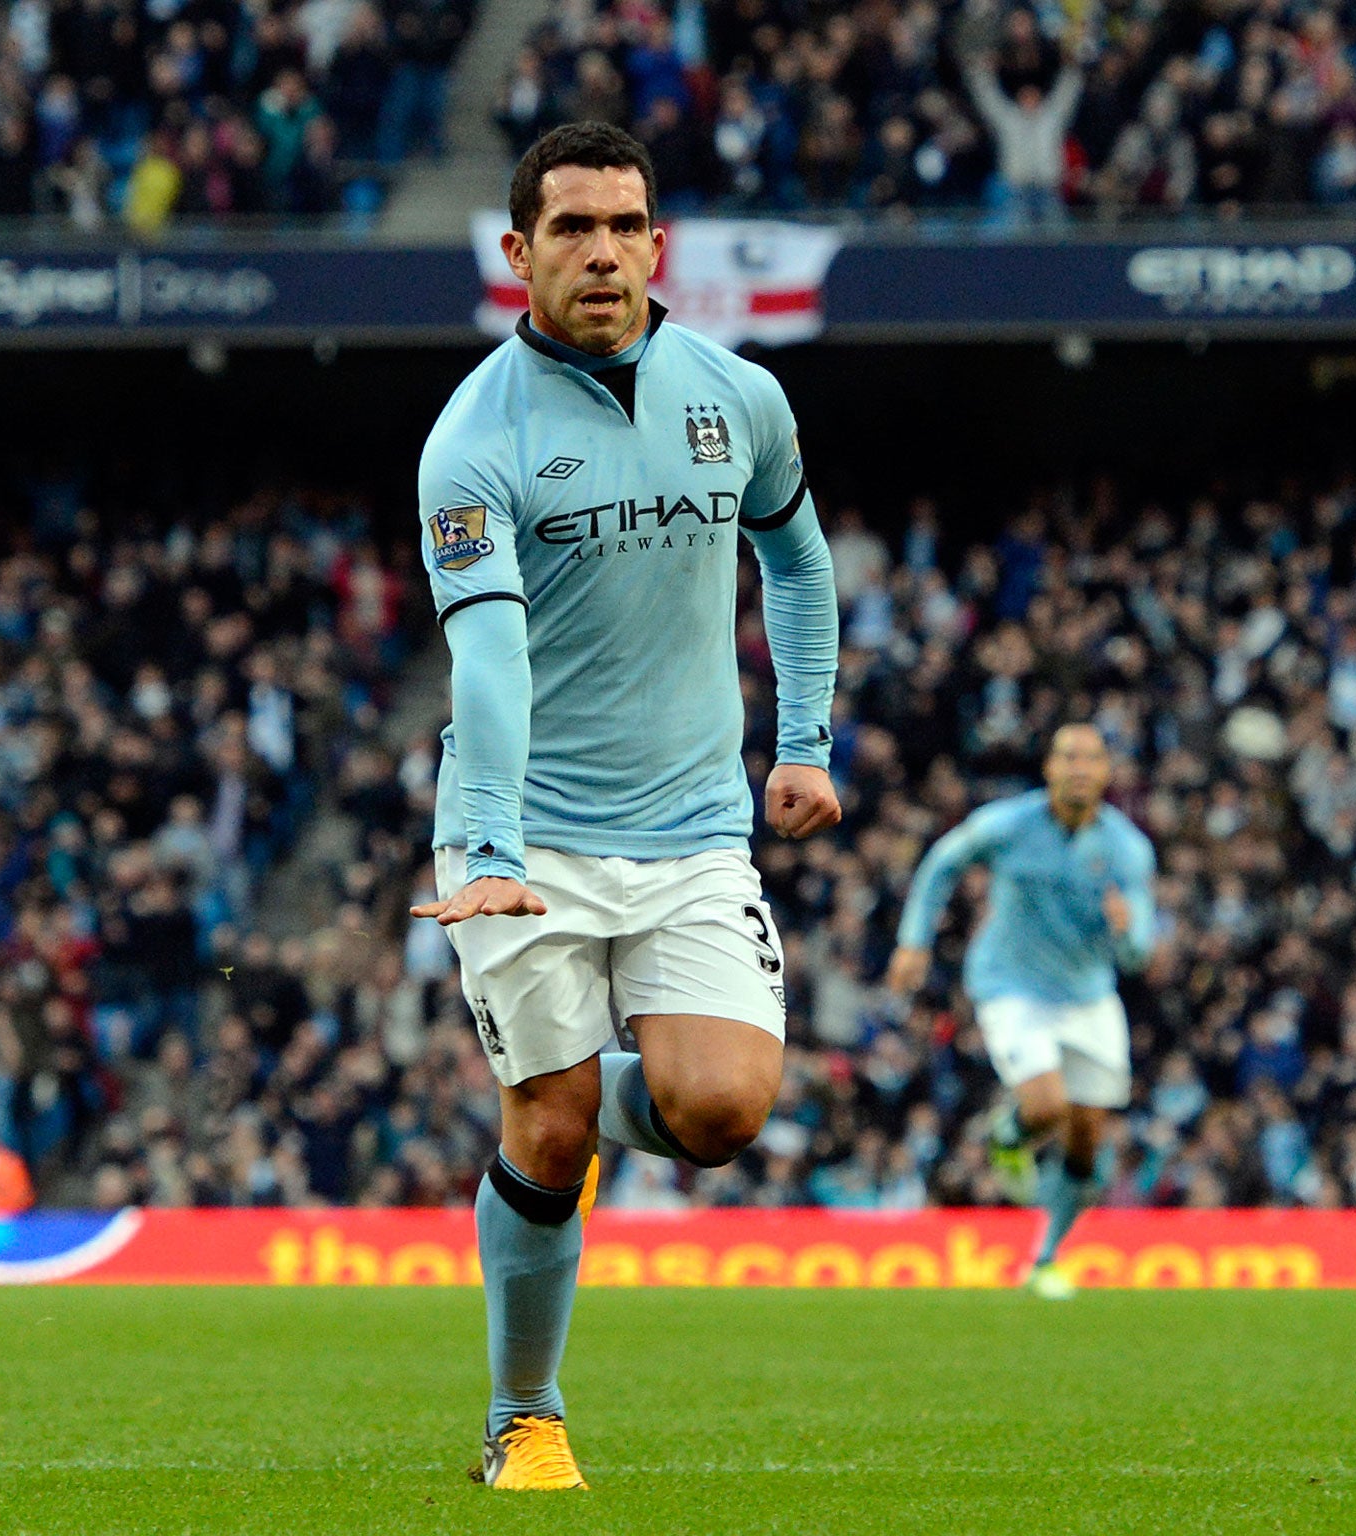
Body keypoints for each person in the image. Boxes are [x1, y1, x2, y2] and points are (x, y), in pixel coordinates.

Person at [409, 121, 840, 1489]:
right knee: (546, 1127)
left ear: (659, 246)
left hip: (696, 827)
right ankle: (522, 1418)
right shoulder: (473, 442)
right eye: (574, 226)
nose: (603, 250)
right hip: (524, 830)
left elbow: (803, 564)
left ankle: (589, 1102)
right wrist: (485, 847)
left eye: (626, 225)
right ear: (517, 252)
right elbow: (487, 659)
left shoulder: (739, 396)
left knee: (719, 1110)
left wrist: (808, 741)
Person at [885, 723, 1155, 1299]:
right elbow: (942, 862)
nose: (1080, 768)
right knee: (1046, 1106)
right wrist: (915, 940)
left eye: (1091, 759)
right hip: (1011, 986)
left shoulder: (1127, 850)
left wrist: (1128, 937)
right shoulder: (1009, 825)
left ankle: (1047, 1258)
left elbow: (1138, 953)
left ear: (1107, 772)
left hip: (1088, 995)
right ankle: (1008, 1133)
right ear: (1049, 769)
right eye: (1068, 757)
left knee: (1086, 1141)